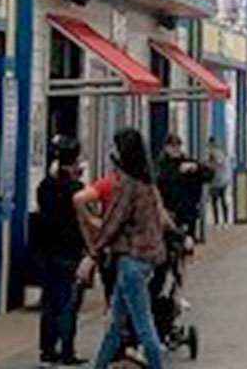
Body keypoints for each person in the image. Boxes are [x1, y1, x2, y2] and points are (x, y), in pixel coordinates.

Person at [75, 126, 170, 369]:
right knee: (115, 324)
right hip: (146, 259)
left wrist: (91, 255)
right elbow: (157, 220)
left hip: (131, 261)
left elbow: (112, 224)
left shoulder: (127, 185)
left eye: (115, 146)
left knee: (143, 324)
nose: (111, 151)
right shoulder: (147, 182)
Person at [33, 135, 88, 366]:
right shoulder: (77, 189)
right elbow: (83, 220)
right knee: (69, 303)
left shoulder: (44, 187)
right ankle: (67, 350)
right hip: (71, 252)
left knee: (50, 302)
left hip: (47, 251)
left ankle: (47, 350)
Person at [155, 129, 207, 246]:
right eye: (172, 146)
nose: (176, 149)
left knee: (187, 244)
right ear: (166, 147)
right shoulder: (161, 165)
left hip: (188, 211)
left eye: (178, 145)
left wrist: (196, 168)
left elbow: (208, 174)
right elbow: (159, 182)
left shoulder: (187, 161)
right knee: (169, 243)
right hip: (169, 210)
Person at [206, 138, 230, 228]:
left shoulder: (217, 154)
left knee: (218, 202)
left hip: (219, 181)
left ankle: (221, 221)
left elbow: (218, 164)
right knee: (218, 202)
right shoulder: (219, 153)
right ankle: (221, 221)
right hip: (218, 181)